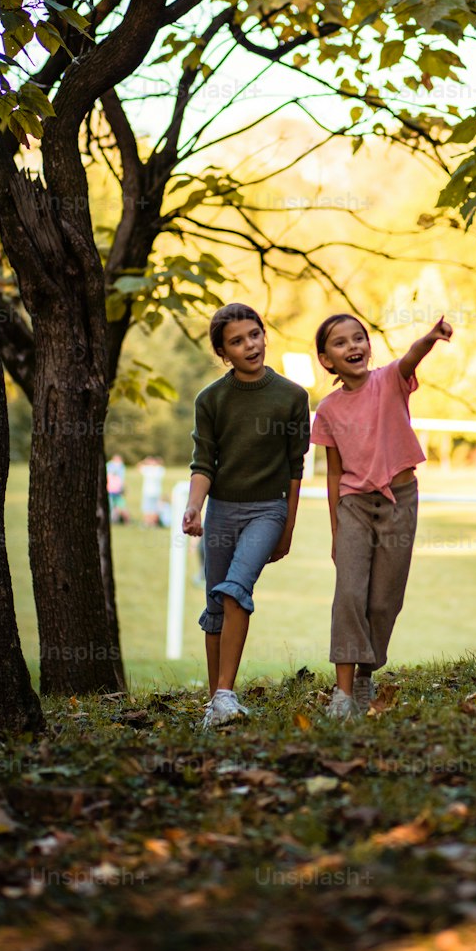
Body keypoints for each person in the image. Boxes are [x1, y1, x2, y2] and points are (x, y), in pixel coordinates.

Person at [312, 311, 453, 720]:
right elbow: (335, 473)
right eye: (341, 343)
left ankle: (365, 674)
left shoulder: (389, 380)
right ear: (326, 360)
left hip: (399, 501)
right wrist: (336, 531)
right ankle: (342, 696)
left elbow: (410, 357)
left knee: (383, 601)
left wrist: (430, 337)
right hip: (354, 506)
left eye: (359, 338)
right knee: (349, 595)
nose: (353, 346)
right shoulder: (328, 410)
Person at [182, 303, 310, 729]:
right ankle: (214, 702)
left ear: (263, 334)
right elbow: (203, 463)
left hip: (268, 510)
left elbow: (296, 470)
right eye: (237, 341)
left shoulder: (293, 396)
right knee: (215, 606)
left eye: (254, 334)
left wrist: (287, 530)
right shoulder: (211, 399)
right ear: (224, 352)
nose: (250, 345)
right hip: (220, 512)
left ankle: (225, 694)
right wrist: (193, 507)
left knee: (236, 589)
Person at [138, 456, 166, 527]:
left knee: (152, 509)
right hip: (149, 492)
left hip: (153, 492)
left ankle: (151, 523)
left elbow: (139, 466)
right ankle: (148, 523)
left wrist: (145, 461)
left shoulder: (153, 469)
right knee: (148, 509)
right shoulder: (159, 469)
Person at [106, 453, 128, 524]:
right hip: (110, 490)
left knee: (120, 506)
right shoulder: (110, 466)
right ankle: (114, 520)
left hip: (116, 490)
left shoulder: (120, 467)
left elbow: (122, 479)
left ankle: (120, 520)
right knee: (112, 506)